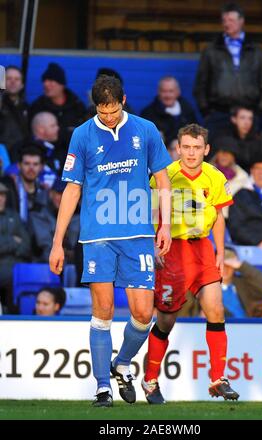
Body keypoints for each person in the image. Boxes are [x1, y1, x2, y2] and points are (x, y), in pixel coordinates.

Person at [49, 75, 172, 408]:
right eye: (103, 113)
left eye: (114, 111)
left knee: (144, 314)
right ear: (95, 107)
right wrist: (58, 241)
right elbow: (72, 188)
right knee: (102, 310)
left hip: (139, 235)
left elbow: (162, 179)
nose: (109, 117)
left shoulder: (146, 130)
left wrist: (166, 225)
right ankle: (103, 387)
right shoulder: (82, 134)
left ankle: (121, 362)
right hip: (98, 236)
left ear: (124, 100)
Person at [142, 123, 239, 404]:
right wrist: (153, 243)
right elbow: (151, 211)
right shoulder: (166, 174)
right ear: (178, 147)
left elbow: (219, 216)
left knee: (216, 309)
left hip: (202, 249)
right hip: (172, 250)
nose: (192, 153)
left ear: (206, 149)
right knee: (166, 320)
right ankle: (150, 380)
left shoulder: (215, 177)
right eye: (186, 147)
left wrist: (220, 251)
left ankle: (218, 378)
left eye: (197, 148)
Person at [193, 3, 262, 136]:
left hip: (248, 114)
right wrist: (207, 112)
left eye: (231, 20)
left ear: (241, 21)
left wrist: (258, 112)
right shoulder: (211, 50)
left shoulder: (256, 51)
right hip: (218, 114)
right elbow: (200, 84)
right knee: (216, 155)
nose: (227, 24)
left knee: (247, 155)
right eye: (224, 20)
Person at [0, 182, 31, 313]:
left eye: (2, 195)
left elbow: (27, 245)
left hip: (16, 268)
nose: (1, 198)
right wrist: (13, 241)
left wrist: (5, 245)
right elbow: (18, 243)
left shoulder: (14, 216)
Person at [141, 76, 197, 146]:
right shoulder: (148, 113)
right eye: (164, 91)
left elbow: (196, 133)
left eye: (171, 91)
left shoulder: (187, 110)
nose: (167, 95)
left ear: (178, 92)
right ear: (158, 92)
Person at [0, 66, 29, 154]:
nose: (13, 82)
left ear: (22, 85)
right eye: (8, 78)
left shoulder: (27, 108)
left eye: (17, 79)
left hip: (22, 156)